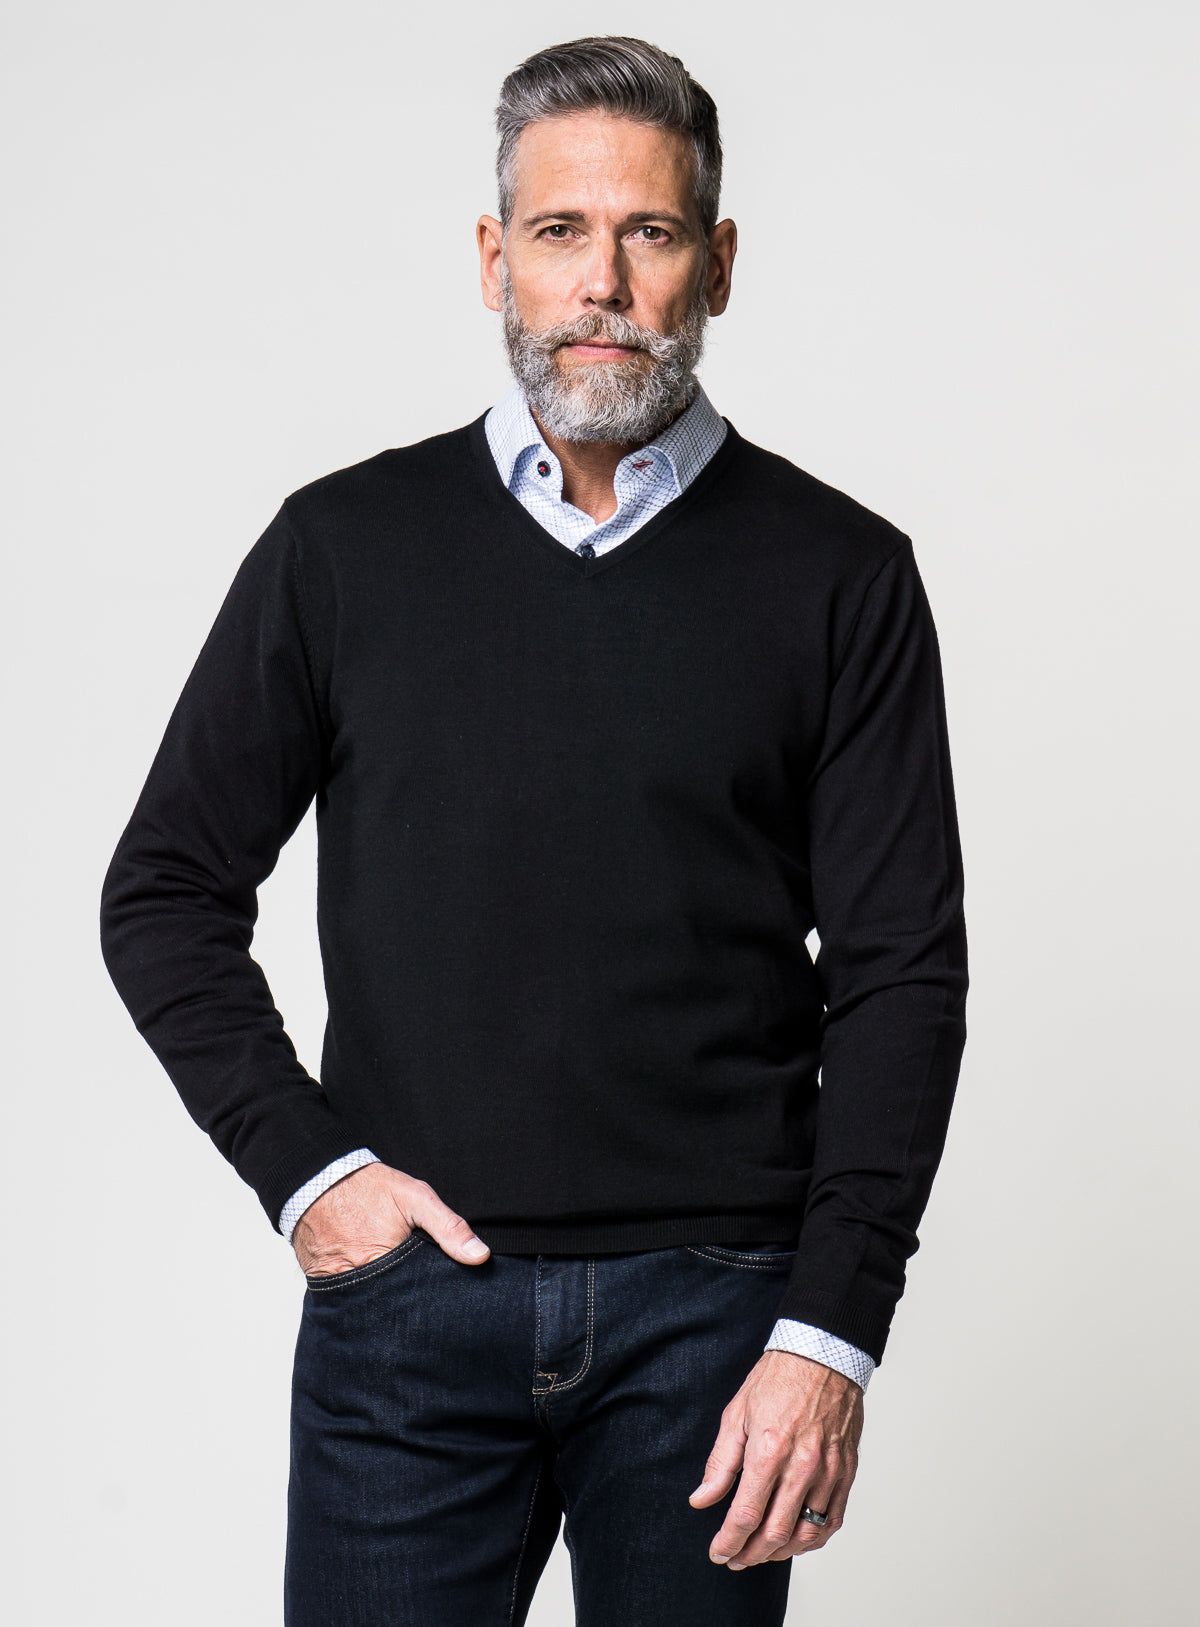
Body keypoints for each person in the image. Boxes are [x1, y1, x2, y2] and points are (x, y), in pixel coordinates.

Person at [99, 34, 968, 1627]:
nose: (604, 283)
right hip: (411, 1312)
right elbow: (162, 890)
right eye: (562, 232)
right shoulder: (341, 550)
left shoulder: (841, 575)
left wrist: (830, 1336)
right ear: (497, 261)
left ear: (717, 264)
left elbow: (903, 978)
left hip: (721, 1329)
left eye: (650, 233)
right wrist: (311, 1177)